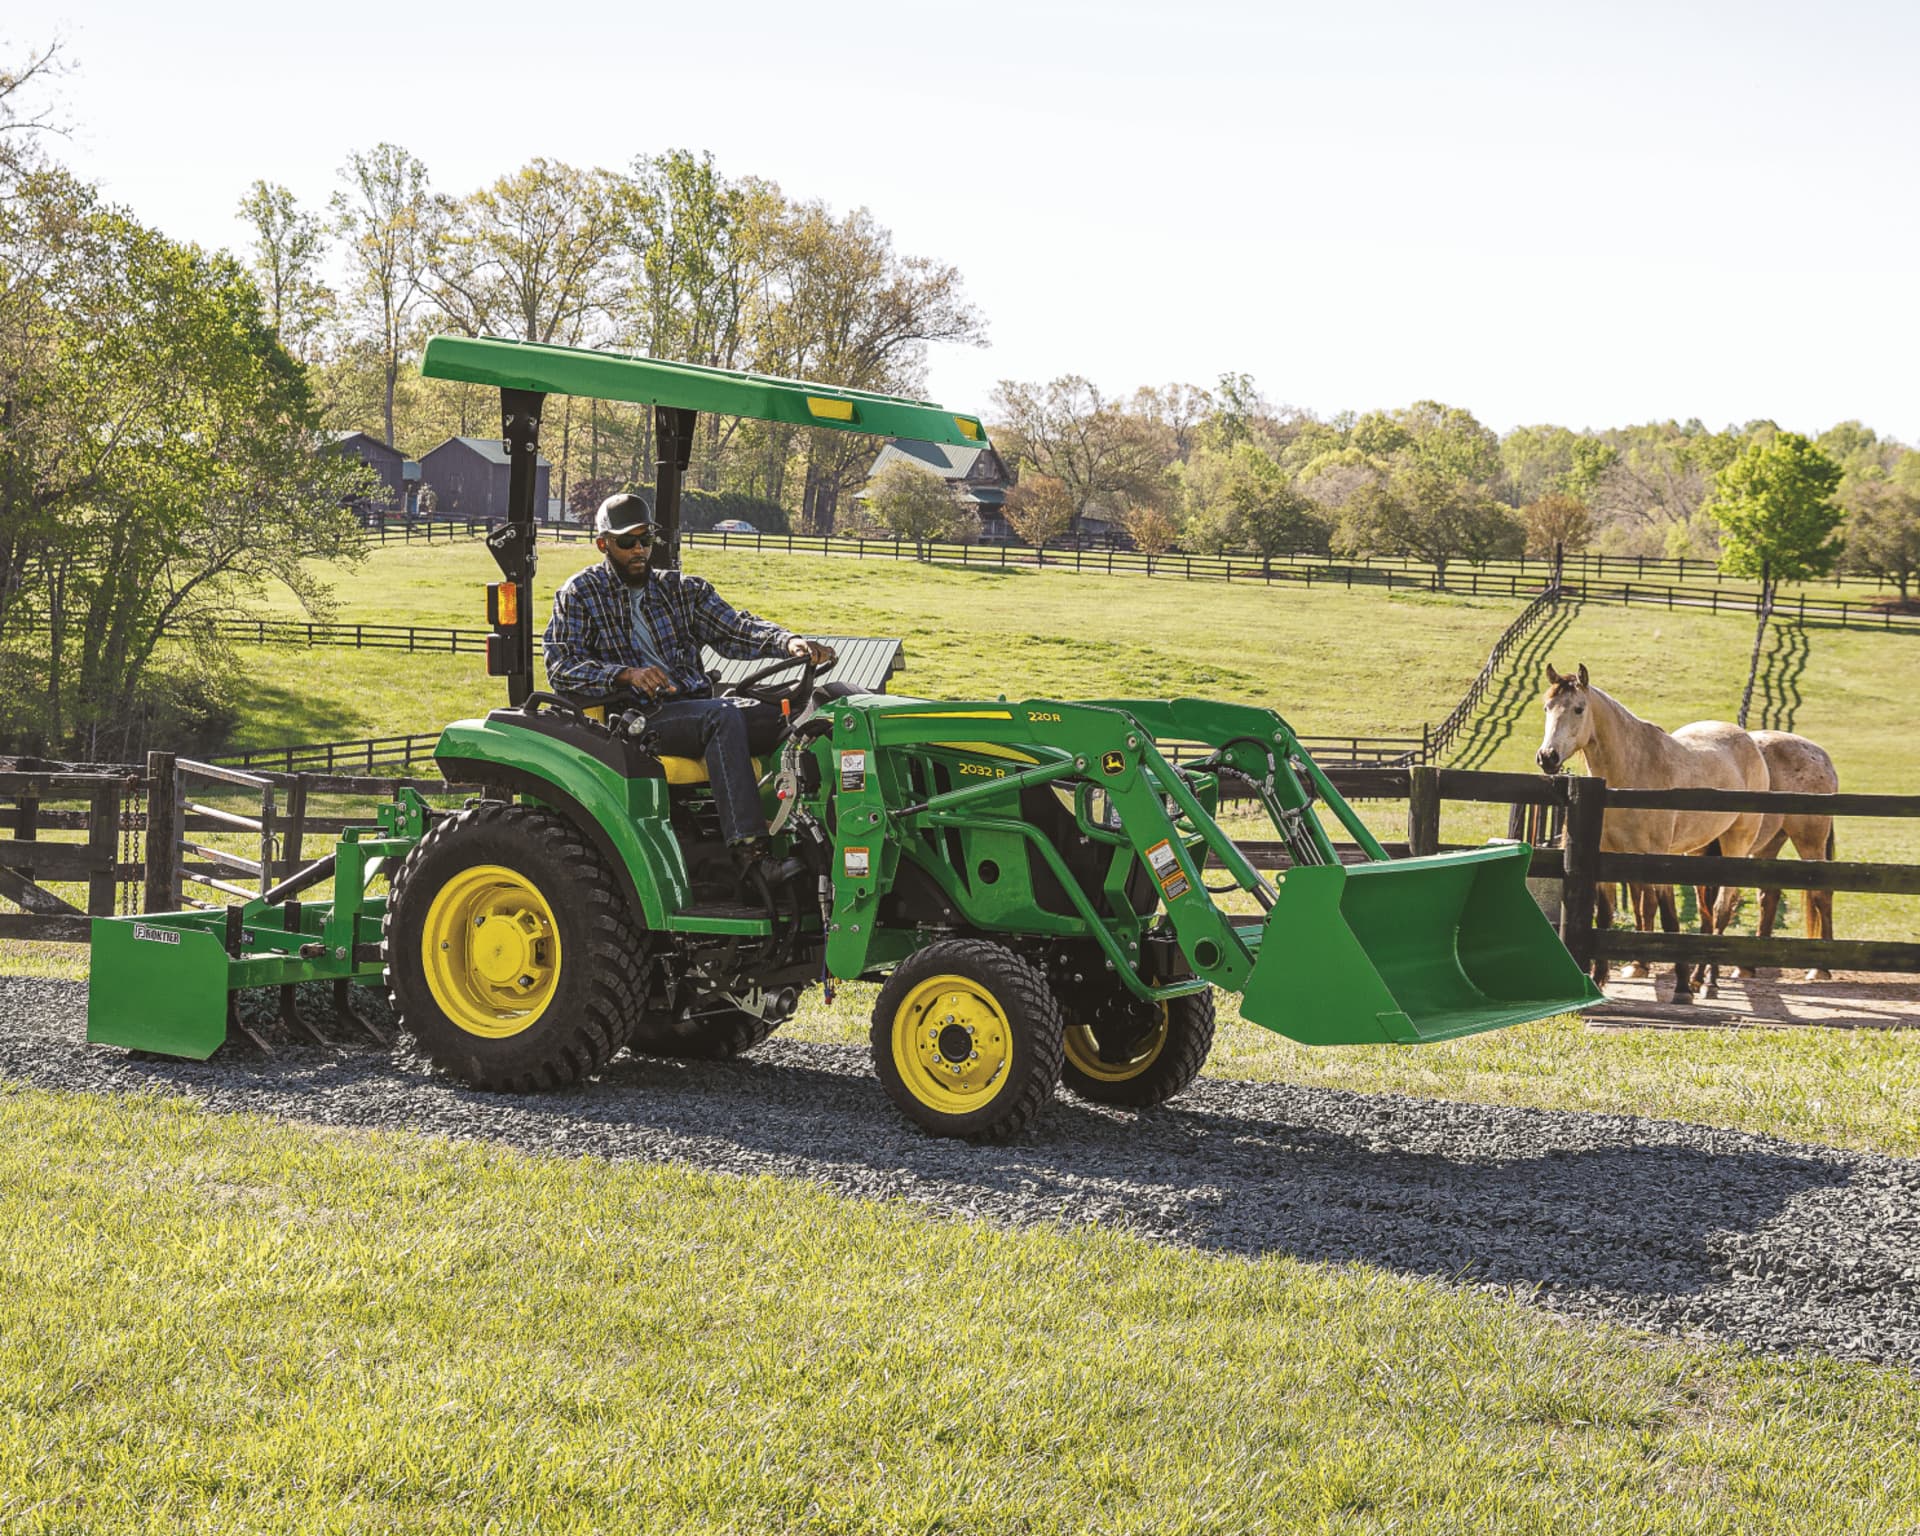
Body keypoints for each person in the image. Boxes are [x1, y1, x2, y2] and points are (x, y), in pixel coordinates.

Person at [543, 491, 835, 890]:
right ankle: (751, 856)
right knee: (722, 715)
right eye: (627, 542)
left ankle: (814, 838)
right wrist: (625, 675)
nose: (639, 550)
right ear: (603, 545)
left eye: (645, 540)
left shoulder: (682, 590)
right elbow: (561, 667)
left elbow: (736, 629)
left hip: (696, 708)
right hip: (637, 720)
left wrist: (788, 642)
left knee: (803, 714)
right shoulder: (580, 594)